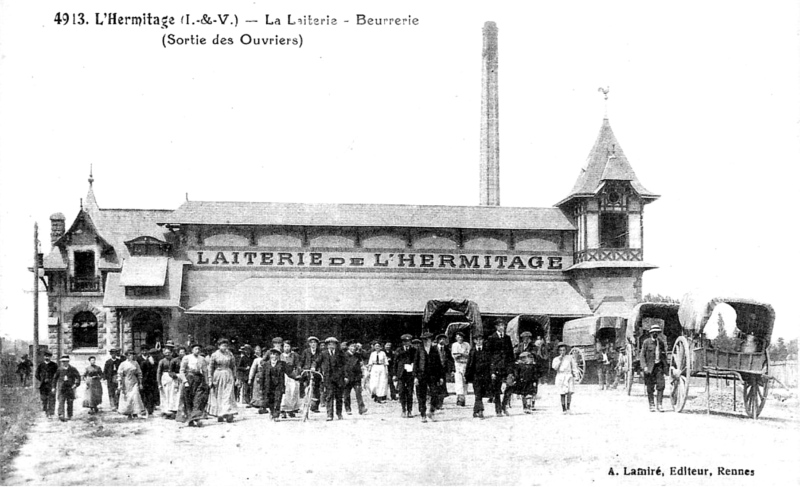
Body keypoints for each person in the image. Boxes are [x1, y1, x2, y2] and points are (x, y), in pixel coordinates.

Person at [413, 331, 445, 423]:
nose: (427, 341)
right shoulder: (419, 350)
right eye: (425, 340)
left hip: (433, 375)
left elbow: (439, 364)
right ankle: (423, 414)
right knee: (421, 395)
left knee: (435, 393)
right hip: (421, 375)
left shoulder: (435, 350)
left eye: (429, 339)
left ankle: (431, 411)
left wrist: (441, 377)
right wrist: (415, 377)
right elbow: (415, 364)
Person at [486, 320, 515, 416]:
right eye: (500, 325)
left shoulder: (507, 338)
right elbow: (489, 356)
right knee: (496, 389)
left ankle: (504, 405)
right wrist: (492, 370)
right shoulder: (491, 338)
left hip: (507, 366)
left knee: (510, 386)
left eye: (503, 325)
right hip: (497, 367)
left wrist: (511, 368)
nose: (502, 327)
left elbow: (511, 354)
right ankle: (498, 410)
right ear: (496, 327)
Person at [207, 338, 238, 422]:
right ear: (218, 346)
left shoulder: (230, 354)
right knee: (219, 394)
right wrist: (210, 379)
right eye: (223, 345)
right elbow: (210, 368)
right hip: (218, 375)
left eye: (226, 346)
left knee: (228, 394)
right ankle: (220, 413)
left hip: (228, 374)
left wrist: (235, 377)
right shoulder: (214, 355)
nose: (225, 347)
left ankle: (227, 412)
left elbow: (233, 366)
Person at [316, 337, 346, 421]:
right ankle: (329, 414)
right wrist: (313, 367)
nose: (331, 346)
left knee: (339, 397)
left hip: (339, 378)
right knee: (329, 396)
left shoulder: (340, 353)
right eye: (329, 344)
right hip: (328, 378)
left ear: (336, 345)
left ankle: (339, 413)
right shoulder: (323, 353)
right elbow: (317, 361)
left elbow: (345, 365)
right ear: (327, 345)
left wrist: (346, 376)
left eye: (333, 344)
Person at [639, 323, 667, 412]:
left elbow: (664, 356)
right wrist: (644, 367)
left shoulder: (661, 343)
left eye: (657, 332)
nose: (656, 334)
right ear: (651, 333)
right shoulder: (646, 342)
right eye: (654, 332)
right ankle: (651, 404)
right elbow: (642, 355)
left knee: (661, 385)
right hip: (649, 368)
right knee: (650, 387)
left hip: (659, 367)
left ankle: (659, 404)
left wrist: (666, 369)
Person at [181, 343, 208, 427]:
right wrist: (185, 381)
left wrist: (206, 382)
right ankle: (190, 418)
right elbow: (181, 371)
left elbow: (205, 371)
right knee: (188, 399)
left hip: (199, 379)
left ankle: (196, 417)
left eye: (199, 349)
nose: (198, 350)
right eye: (196, 349)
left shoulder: (202, 359)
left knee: (198, 398)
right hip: (189, 378)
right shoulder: (186, 358)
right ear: (192, 350)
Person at [465, 335, 492, 419]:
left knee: (481, 393)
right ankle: (480, 411)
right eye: (477, 340)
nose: (479, 341)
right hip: (475, 375)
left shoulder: (487, 350)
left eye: (481, 339)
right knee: (478, 393)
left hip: (485, 375)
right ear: (474, 341)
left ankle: (475, 411)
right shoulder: (472, 351)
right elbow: (469, 363)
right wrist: (467, 375)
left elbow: (490, 362)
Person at [261, 348, 292, 421]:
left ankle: (276, 415)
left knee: (278, 399)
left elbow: (289, 373)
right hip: (269, 385)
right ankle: (272, 412)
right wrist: (262, 386)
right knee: (270, 399)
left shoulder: (282, 364)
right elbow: (263, 376)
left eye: (275, 354)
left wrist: (297, 377)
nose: (273, 356)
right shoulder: (266, 364)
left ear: (278, 356)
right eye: (272, 354)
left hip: (279, 384)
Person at [393, 334, 417, 418]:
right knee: (402, 392)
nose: (407, 343)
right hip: (401, 373)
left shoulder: (414, 350)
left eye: (408, 341)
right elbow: (395, 363)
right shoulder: (399, 350)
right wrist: (394, 374)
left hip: (410, 373)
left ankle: (409, 410)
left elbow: (416, 361)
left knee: (410, 392)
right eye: (405, 341)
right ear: (403, 342)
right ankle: (403, 409)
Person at [118, 350, 146, 419]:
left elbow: (139, 373)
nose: (131, 356)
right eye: (129, 355)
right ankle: (129, 413)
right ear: (126, 356)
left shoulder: (135, 363)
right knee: (128, 397)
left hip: (134, 381)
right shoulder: (123, 364)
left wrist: (140, 383)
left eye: (132, 355)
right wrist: (120, 384)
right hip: (126, 381)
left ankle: (135, 412)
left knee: (135, 396)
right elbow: (119, 375)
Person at [299, 336, 323, 413]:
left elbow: (321, 362)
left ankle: (314, 406)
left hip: (316, 372)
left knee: (316, 389)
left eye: (314, 343)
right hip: (307, 372)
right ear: (309, 344)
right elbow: (302, 361)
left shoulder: (320, 352)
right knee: (306, 387)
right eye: (311, 343)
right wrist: (300, 368)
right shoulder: (306, 351)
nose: (313, 344)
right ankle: (305, 403)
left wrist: (319, 369)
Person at [552, 343, 577, 414]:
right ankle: (564, 409)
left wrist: (576, 374)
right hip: (560, 376)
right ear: (558, 351)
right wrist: (560, 360)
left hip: (568, 375)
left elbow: (574, 366)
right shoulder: (556, 359)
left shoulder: (569, 358)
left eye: (563, 350)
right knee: (562, 393)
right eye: (560, 350)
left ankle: (568, 408)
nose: (562, 352)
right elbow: (555, 367)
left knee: (569, 392)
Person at [54, 355, 81, 422]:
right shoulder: (59, 369)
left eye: (65, 361)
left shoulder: (72, 369)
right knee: (61, 401)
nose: (64, 363)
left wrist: (76, 384)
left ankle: (69, 415)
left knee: (70, 402)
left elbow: (78, 377)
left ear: (68, 362)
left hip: (70, 388)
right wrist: (53, 387)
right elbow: (55, 379)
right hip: (62, 388)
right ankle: (61, 415)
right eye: (63, 362)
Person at [344, 342, 368, 415]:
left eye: (354, 347)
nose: (353, 348)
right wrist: (345, 376)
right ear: (348, 347)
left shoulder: (358, 355)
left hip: (356, 377)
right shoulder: (344, 355)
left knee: (358, 393)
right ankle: (348, 408)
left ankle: (361, 408)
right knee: (346, 394)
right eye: (351, 346)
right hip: (347, 377)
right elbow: (343, 367)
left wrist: (360, 349)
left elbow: (364, 359)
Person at [157, 347, 180, 419]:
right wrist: (159, 383)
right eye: (166, 353)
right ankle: (165, 411)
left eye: (169, 353)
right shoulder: (162, 361)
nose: (167, 354)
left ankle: (173, 410)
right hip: (165, 378)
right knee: (165, 394)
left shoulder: (174, 360)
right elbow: (159, 372)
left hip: (173, 378)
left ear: (172, 353)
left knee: (173, 395)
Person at [280, 340, 301, 418]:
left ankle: (290, 409)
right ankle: (282, 410)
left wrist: (297, 374)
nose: (286, 348)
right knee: (284, 393)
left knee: (292, 392)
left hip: (292, 375)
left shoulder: (294, 355)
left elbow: (298, 365)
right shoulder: (280, 355)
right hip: (283, 376)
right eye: (285, 346)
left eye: (288, 346)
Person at [35, 351, 59, 418]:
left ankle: (51, 413)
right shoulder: (41, 365)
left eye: (48, 356)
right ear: (44, 357)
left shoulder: (54, 365)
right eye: (45, 356)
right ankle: (45, 411)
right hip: (43, 385)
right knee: (44, 399)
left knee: (52, 399)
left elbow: (57, 374)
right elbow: (36, 374)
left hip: (51, 384)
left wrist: (53, 381)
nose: (47, 357)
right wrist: (42, 380)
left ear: (50, 357)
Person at [451, 332, 471, 407]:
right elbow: (455, 356)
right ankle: (460, 398)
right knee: (458, 380)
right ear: (456, 338)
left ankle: (463, 397)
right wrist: (461, 354)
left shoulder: (467, 344)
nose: (460, 338)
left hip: (465, 364)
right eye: (458, 337)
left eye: (461, 337)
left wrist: (461, 354)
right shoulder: (454, 345)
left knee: (465, 381)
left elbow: (468, 355)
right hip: (458, 364)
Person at [140, 349, 159, 416]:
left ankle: (151, 409)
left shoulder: (156, 362)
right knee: (147, 396)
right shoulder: (144, 363)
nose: (154, 355)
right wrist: (141, 382)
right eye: (152, 354)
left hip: (153, 381)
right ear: (150, 355)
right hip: (146, 382)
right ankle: (147, 409)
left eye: (155, 354)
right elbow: (141, 373)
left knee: (153, 395)